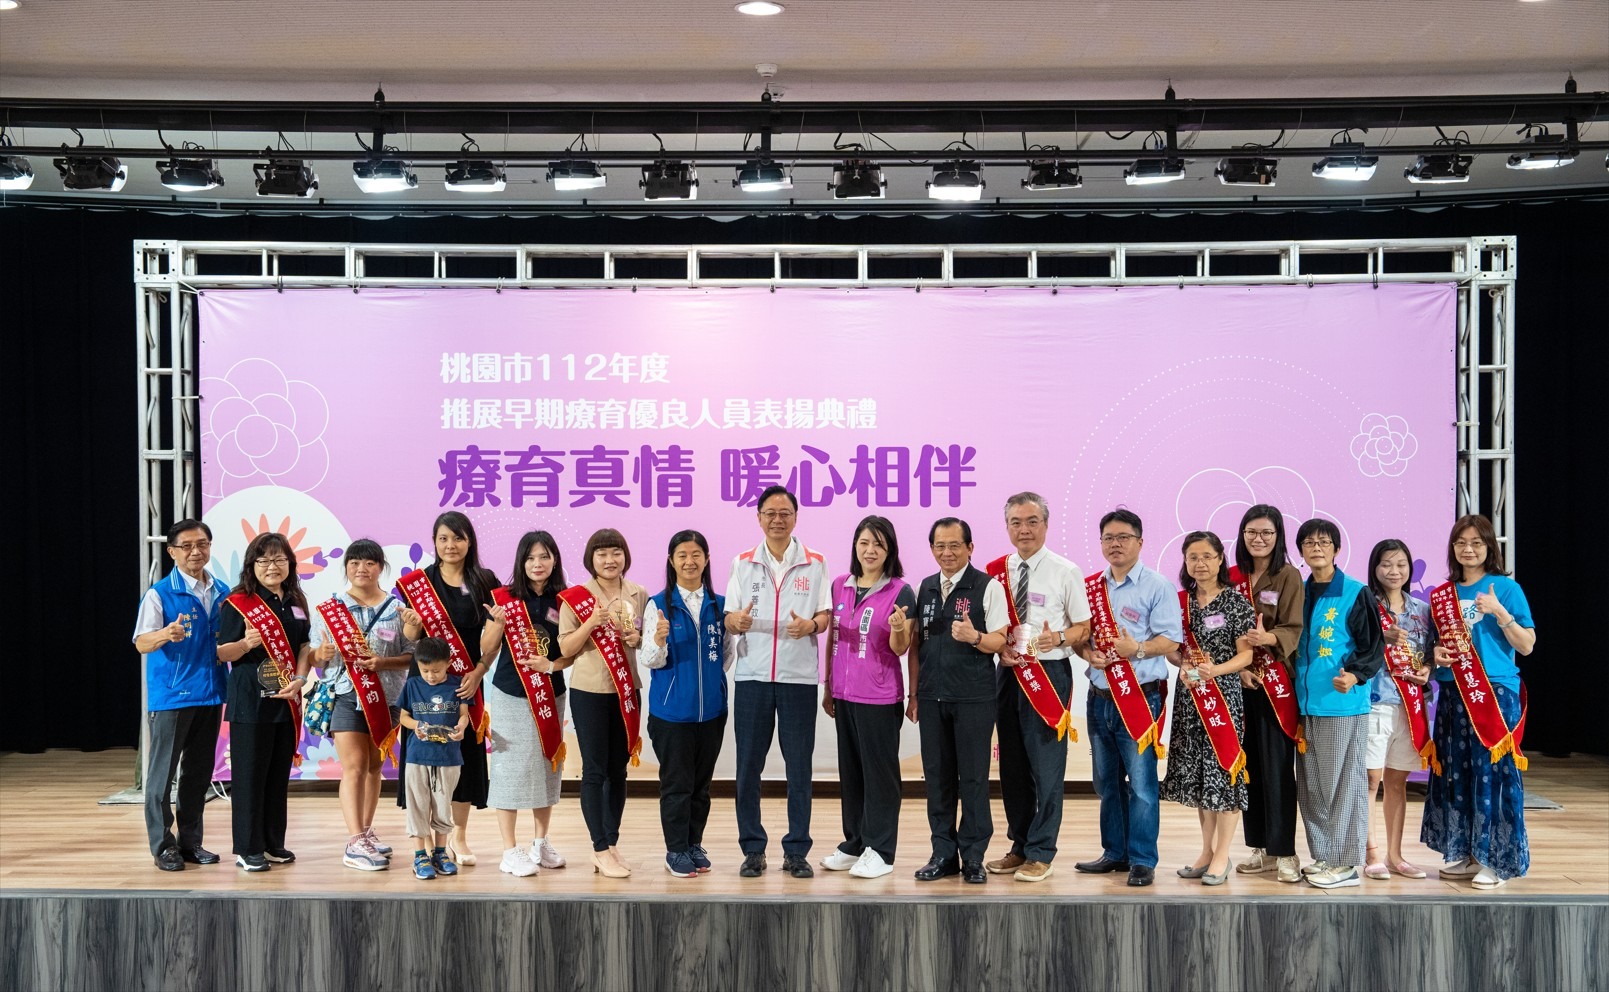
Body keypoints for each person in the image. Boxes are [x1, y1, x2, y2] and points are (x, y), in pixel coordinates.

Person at [724, 485, 833, 880]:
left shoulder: (815, 562)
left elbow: (825, 615)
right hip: (752, 677)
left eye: (785, 513)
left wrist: (812, 626)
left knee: (799, 767)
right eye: (770, 513)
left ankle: (797, 850)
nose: (777, 519)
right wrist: (734, 621)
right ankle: (753, 849)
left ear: (795, 517)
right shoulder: (743, 562)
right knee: (747, 767)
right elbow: (729, 616)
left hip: (798, 679)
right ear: (758, 518)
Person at [1422, 514, 1536, 888]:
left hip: (1494, 694)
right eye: (1460, 542)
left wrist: (1500, 613)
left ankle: (1498, 861)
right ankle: (1470, 854)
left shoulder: (1506, 589)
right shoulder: (1442, 594)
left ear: (1489, 547)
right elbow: (1434, 647)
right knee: (1458, 775)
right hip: (1453, 694)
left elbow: (1527, 645)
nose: (1468, 549)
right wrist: (1435, 655)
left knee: (1495, 776)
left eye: (1476, 542)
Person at [986, 492, 1092, 883]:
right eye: (1016, 522)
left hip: (1048, 675)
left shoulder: (1066, 570)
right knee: (1012, 766)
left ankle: (1042, 851)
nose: (1024, 529)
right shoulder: (996, 572)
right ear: (1007, 526)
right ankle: (1019, 845)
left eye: (1032, 521)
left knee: (1046, 768)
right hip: (1008, 674)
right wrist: (999, 647)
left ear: (1046, 525)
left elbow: (1084, 627)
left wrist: (1059, 637)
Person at [1073, 510, 1182, 888]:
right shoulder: (1090, 587)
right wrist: (1089, 654)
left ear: (1140, 541)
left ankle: (1142, 859)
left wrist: (1136, 649)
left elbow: (1171, 640)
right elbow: (1080, 638)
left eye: (1123, 537)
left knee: (1141, 785)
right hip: (1099, 697)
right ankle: (1114, 853)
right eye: (1108, 538)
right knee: (1106, 783)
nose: (1115, 544)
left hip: (1139, 699)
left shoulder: (1158, 586)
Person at [909, 518, 1009, 885]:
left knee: (973, 779)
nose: (947, 552)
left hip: (974, 699)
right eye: (940, 546)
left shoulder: (987, 586)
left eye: (954, 545)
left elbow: (1000, 640)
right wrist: (914, 694)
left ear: (970, 547)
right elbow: (918, 645)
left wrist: (975, 636)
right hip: (931, 698)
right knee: (937, 778)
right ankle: (943, 854)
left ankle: (973, 856)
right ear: (932, 549)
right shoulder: (925, 587)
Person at [397, 511, 500, 866]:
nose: (450, 545)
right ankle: (424, 842)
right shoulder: (420, 582)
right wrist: (413, 624)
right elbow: (411, 637)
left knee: (462, 759)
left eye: (458, 538)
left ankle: (458, 837)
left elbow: (494, 637)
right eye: (443, 538)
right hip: (424, 683)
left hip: (465, 682)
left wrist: (480, 671)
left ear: (469, 541)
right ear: (435, 542)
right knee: (423, 759)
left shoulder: (485, 581)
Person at [819, 516, 917, 880]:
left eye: (878, 544)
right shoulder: (840, 585)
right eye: (864, 543)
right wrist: (828, 686)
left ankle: (881, 851)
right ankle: (855, 843)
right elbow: (833, 639)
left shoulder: (901, 592)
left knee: (880, 777)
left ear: (889, 550)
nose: (870, 550)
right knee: (852, 773)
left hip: (879, 696)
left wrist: (898, 629)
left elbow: (901, 647)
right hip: (844, 695)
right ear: (855, 547)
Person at [1290, 518, 1386, 889]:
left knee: (1343, 785)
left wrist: (1355, 675)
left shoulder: (1355, 593)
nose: (1316, 548)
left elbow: (1372, 646)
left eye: (1324, 542)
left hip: (1341, 704)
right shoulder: (1298, 591)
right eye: (1309, 542)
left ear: (1337, 549)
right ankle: (1325, 855)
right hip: (1304, 704)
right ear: (1300, 550)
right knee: (1311, 787)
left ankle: (1346, 864)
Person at [308, 539, 412, 871]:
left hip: (388, 698)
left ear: (381, 567)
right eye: (354, 562)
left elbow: (412, 656)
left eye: (369, 562)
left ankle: (366, 831)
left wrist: (383, 663)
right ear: (346, 567)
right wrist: (320, 655)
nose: (361, 569)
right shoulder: (331, 609)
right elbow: (315, 657)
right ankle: (354, 842)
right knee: (353, 767)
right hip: (346, 695)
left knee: (374, 768)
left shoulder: (398, 609)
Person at [131, 519, 229, 872]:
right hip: (173, 696)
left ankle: (190, 843)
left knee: (197, 776)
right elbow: (141, 642)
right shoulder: (159, 593)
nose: (195, 552)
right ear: (172, 552)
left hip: (211, 694)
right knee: (162, 777)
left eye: (202, 544)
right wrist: (164, 634)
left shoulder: (222, 591)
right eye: (186, 546)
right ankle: (163, 847)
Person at [1160, 530, 1256, 885]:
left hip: (1223, 696)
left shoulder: (1236, 602)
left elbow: (1246, 655)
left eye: (1207, 556)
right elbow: (1173, 649)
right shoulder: (1179, 602)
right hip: (1190, 696)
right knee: (1201, 776)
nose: (1199, 563)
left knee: (1223, 772)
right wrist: (1181, 663)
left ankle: (1222, 855)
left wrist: (1215, 670)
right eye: (1192, 557)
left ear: (1220, 560)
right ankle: (1205, 851)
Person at [216, 531, 315, 873]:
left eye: (279, 559)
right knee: (249, 776)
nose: (272, 566)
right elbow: (221, 653)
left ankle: (273, 843)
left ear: (290, 563)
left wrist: (300, 679)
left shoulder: (297, 601)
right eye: (264, 560)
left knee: (276, 775)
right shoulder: (238, 602)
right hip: (250, 701)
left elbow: (304, 646)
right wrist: (245, 643)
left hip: (285, 699)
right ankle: (248, 848)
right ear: (252, 565)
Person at [558, 528, 648, 879]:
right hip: (590, 691)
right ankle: (598, 847)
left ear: (625, 555)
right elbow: (566, 647)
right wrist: (591, 624)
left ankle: (611, 843)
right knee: (594, 771)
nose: (610, 560)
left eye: (616, 552)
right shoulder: (575, 598)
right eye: (602, 554)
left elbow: (646, 642)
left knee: (618, 770)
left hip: (627, 689)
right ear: (590, 559)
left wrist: (637, 637)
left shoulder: (639, 593)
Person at [481, 531, 571, 879]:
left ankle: (540, 842)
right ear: (521, 561)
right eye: (531, 558)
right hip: (510, 692)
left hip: (551, 691)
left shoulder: (565, 599)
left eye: (544, 556)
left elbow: (572, 650)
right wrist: (499, 623)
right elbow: (487, 648)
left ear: (554, 560)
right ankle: (509, 850)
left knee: (547, 765)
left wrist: (552, 666)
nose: (538, 564)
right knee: (509, 769)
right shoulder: (504, 598)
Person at [640, 530, 728, 878]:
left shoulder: (720, 605)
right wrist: (659, 640)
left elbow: (726, 656)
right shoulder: (658, 605)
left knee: (701, 787)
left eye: (696, 555)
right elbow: (650, 659)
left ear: (706, 560)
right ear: (671, 561)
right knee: (677, 786)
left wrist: (711, 684)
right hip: (672, 714)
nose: (689, 562)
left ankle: (693, 843)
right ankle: (675, 849)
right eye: (682, 555)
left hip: (711, 713)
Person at [1230, 504, 1307, 883]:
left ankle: (1285, 851)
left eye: (1266, 533)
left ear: (1278, 537)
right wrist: (1240, 666)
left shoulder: (1288, 575)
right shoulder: (1232, 576)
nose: (1258, 539)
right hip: (1239, 682)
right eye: (1252, 532)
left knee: (1277, 769)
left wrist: (1269, 638)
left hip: (1275, 684)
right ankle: (1260, 848)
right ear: (1242, 535)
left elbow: (1294, 627)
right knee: (1250, 769)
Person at [1363, 538, 1435, 881]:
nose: (1394, 571)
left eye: (1401, 564)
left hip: (1410, 707)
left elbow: (1432, 653)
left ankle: (1395, 855)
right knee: (1370, 780)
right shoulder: (1365, 605)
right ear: (1375, 568)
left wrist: (1428, 670)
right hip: (1373, 703)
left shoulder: (1422, 609)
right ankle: (1371, 853)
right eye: (1387, 564)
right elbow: (1351, 649)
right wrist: (1381, 639)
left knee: (1397, 781)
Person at [397, 638, 470, 881]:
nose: (430, 676)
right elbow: (404, 717)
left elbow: (464, 715)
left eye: (436, 671)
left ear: (448, 664)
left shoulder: (457, 685)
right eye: (425, 670)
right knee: (417, 805)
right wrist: (417, 725)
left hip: (449, 757)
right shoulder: (412, 684)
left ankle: (440, 853)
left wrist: (461, 727)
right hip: (417, 757)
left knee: (442, 806)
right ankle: (420, 855)